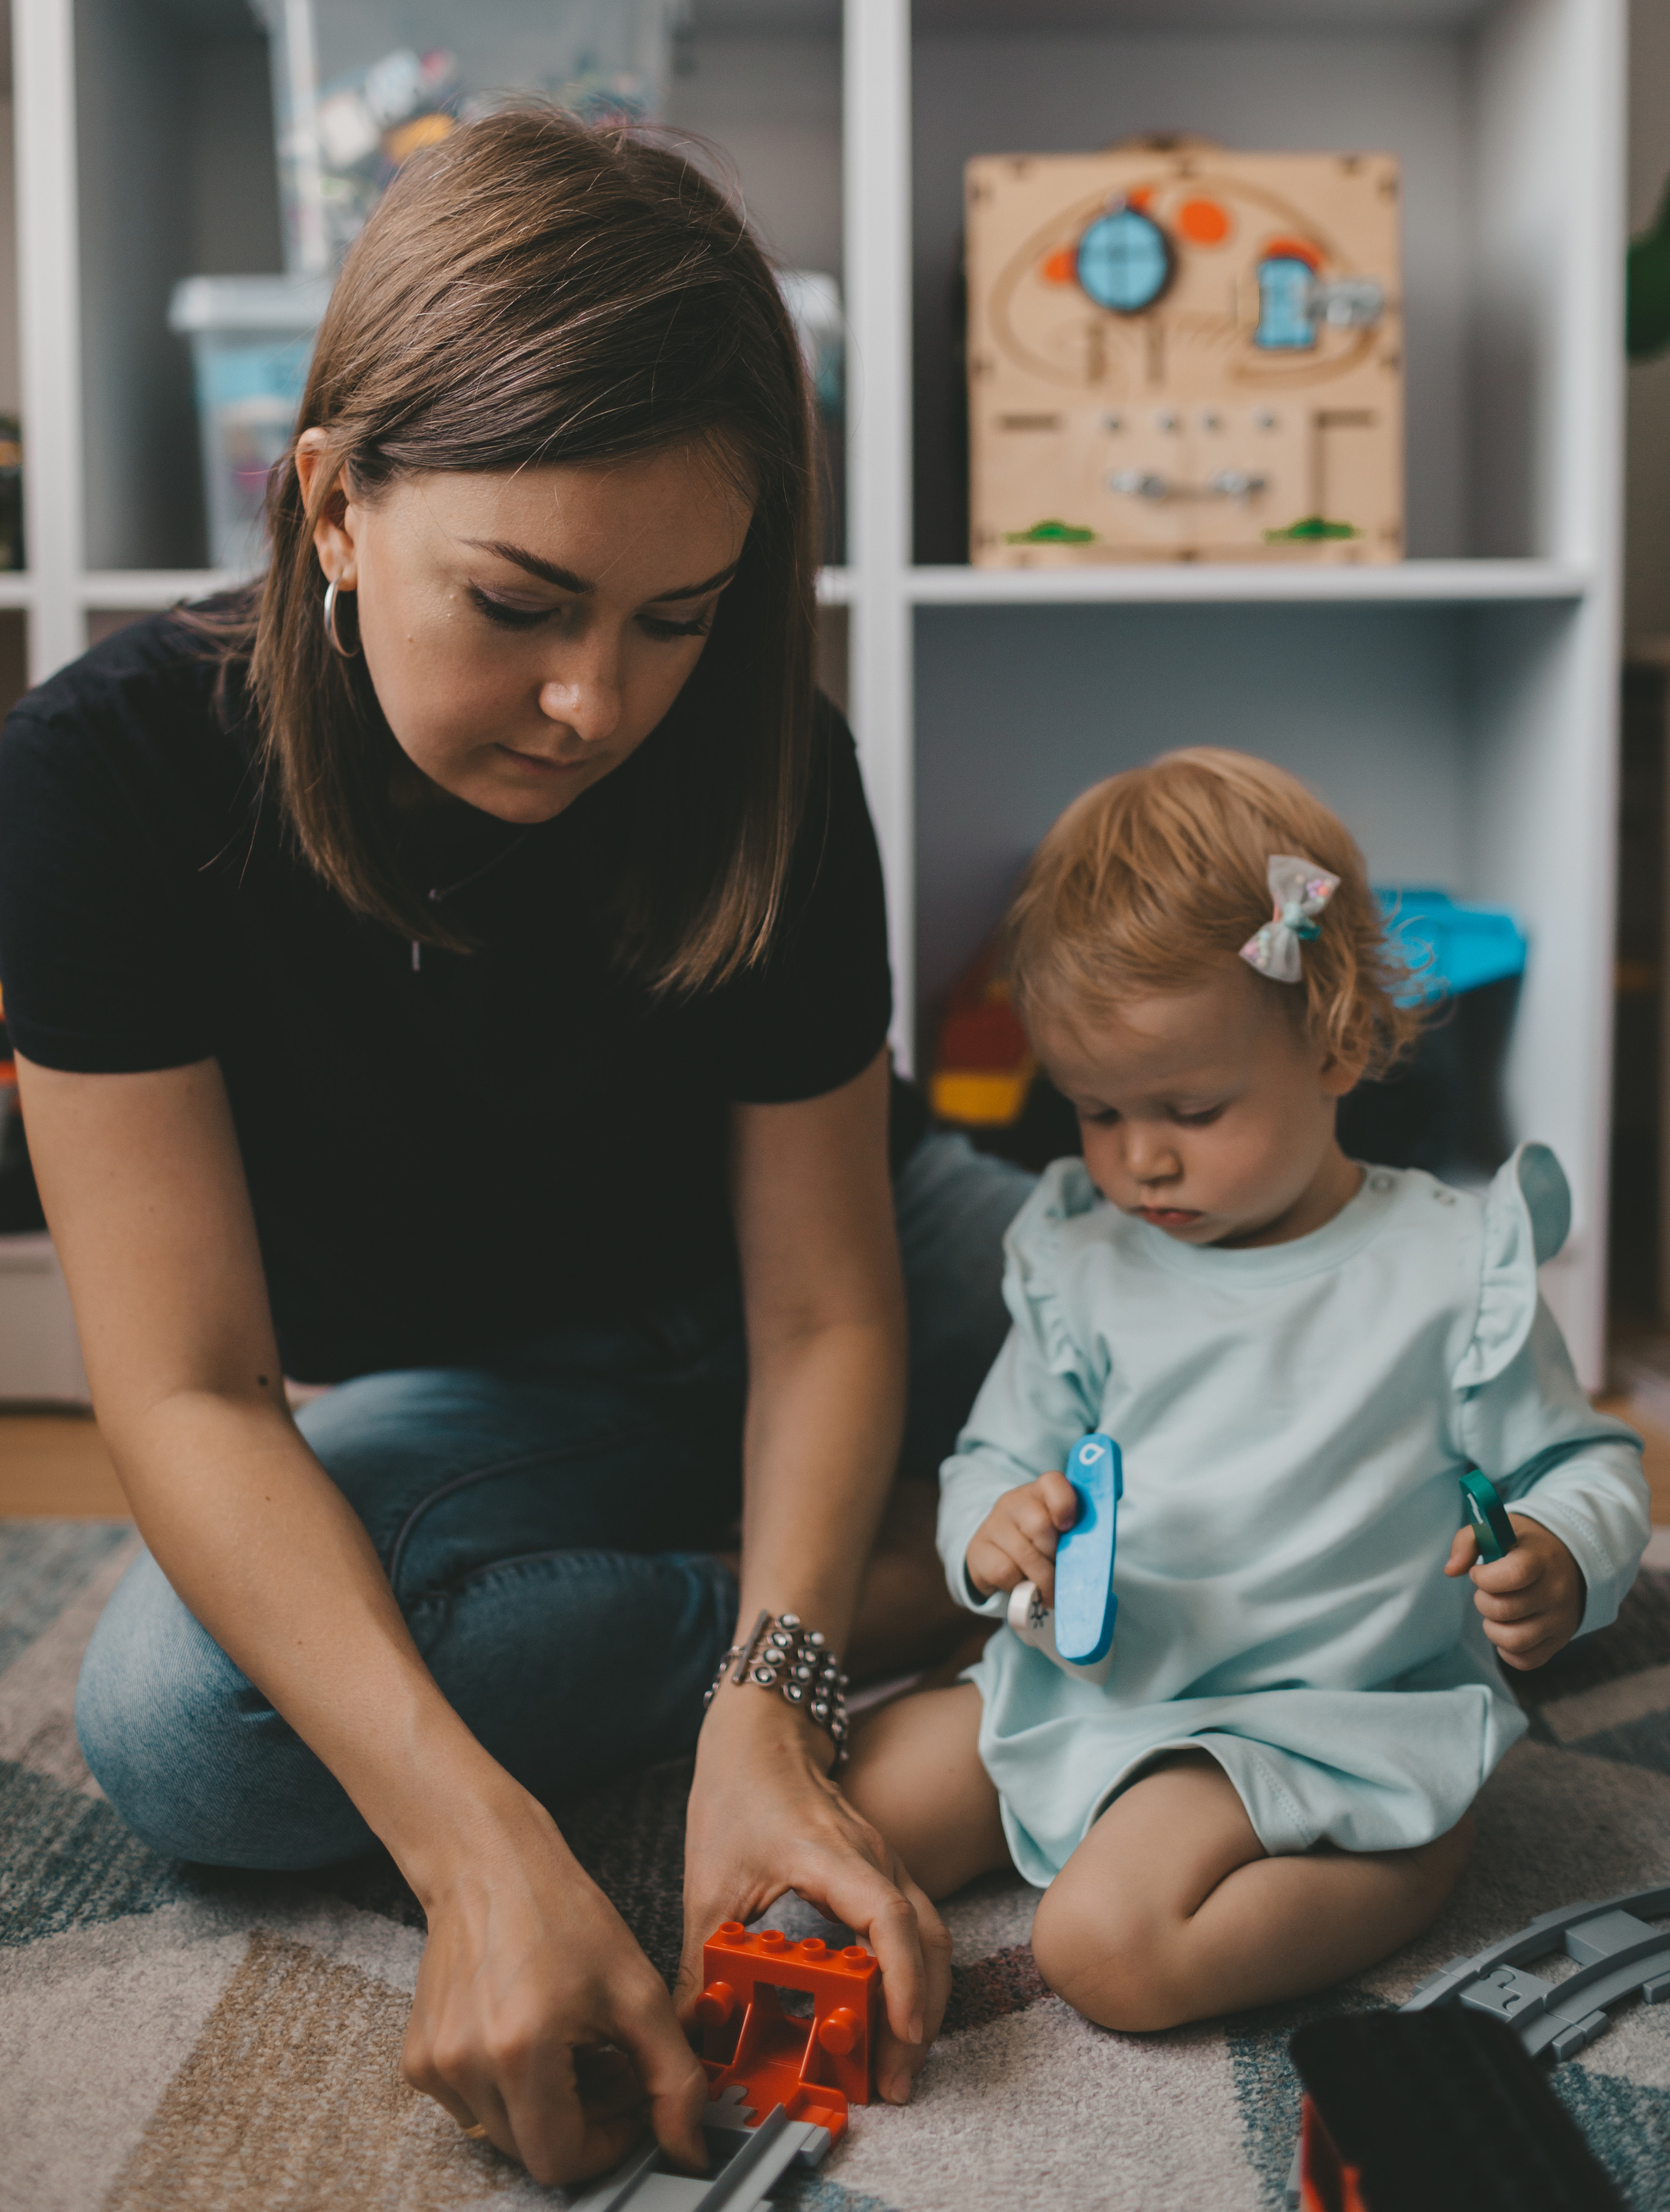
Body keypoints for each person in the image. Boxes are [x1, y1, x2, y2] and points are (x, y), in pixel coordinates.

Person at [0, 112, 1033, 2185]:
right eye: (522, 602)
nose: (593, 703)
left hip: (837, 1273)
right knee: (180, 1724)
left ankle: (855, 1585)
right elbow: (190, 1390)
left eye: (678, 619)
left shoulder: (764, 752)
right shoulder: (96, 785)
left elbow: (828, 1300)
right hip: (524, 1386)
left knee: (1295, 1386)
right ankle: (940, 1567)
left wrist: (767, 1710)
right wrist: (476, 1845)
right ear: (332, 505)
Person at [844, 749, 1650, 2030]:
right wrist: (990, 1532)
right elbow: (992, 1454)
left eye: (1187, 1106)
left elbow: (1582, 1465)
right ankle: (1097, 1804)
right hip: (1102, 1676)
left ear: (1332, 1043)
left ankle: (1402, 1851)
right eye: (1096, 1113)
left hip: (1321, 1709)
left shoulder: (1446, 1267)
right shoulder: (1085, 1261)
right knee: (856, 1798)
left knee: (1104, 1951)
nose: (1139, 1156)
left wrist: (1559, 1549)